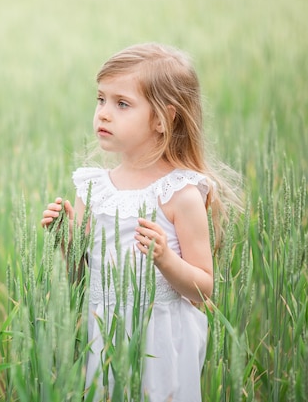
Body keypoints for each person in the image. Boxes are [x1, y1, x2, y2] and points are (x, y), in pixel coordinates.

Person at [41, 43, 241, 401]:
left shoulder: (180, 193)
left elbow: (203, 289)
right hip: (105, 335)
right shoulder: (94, 188)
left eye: (122, 104)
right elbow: (81, 276)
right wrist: (65, 240)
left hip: (162, 340)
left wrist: (166, 259)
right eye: (101, 99)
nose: (103, 113)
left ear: (163, 119)